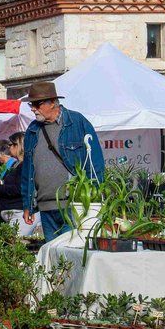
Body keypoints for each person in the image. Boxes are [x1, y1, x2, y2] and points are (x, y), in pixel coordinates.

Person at [20, 81, 105, 240]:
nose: (33, 108)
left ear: (53, 102)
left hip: (73, 206)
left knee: (71, 251)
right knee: (53, 254)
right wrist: (27, 205)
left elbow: (95, 164)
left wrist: (92, 200)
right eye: (31, 104)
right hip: (46, 208)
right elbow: (27, 172)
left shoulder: (77, 122)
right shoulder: (32, 130)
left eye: (37, 104)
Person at [0, 136, 38, 236]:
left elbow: (18, 189)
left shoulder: (24, 166)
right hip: (15, 212)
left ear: (19, 146)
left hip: (20, 214)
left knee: (13, 241)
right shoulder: (18, 165)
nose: (9, 147)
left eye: (12, 144)